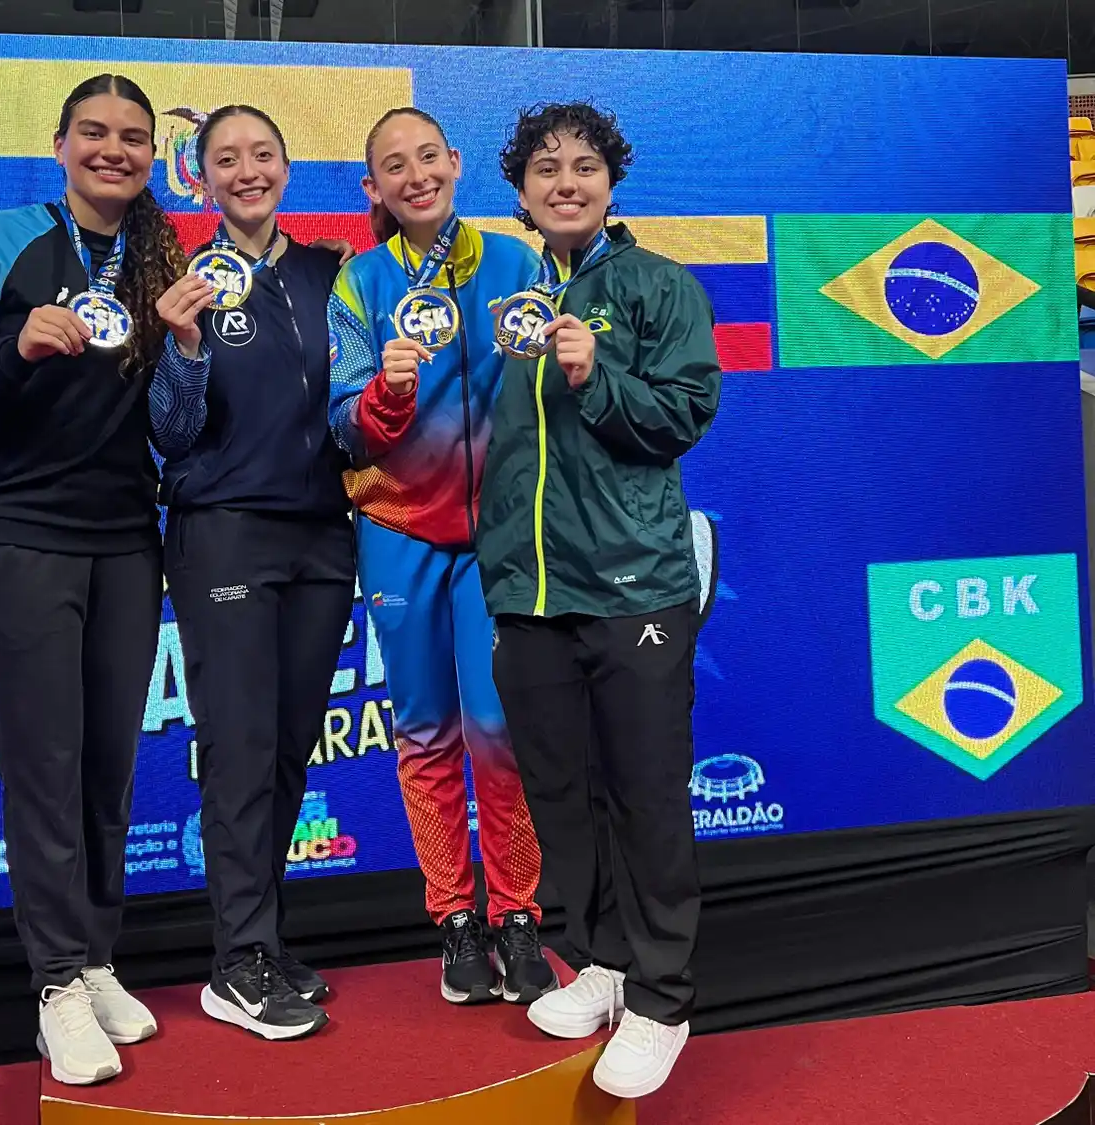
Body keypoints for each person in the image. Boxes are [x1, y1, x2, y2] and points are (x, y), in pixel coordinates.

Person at [0, 73, 186, 1088]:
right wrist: (14, 349)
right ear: (60, 143)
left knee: (109, 763)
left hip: (127, 538)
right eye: (95, 133)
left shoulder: (163, 257)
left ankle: (97, 956)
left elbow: (177, 413)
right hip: (21, 534)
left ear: (151, 157)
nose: (115, 149)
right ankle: (56, 982)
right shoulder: (3, 239)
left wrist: (190, 350)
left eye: (134, 137)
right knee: (44, 767)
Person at [477, 101, 722, 1099]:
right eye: (545, 168)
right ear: (521, 190)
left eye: (583, 165)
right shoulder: (509, 296)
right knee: (561, 795)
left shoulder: (658, 285)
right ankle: (604, 960)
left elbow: (686, 414)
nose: (565, 182)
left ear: (611, 182)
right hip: (530, 591)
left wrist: (594, 375)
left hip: (635, 586)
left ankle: (664, 997)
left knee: (646, 793)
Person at [326, 106, 556, 1007]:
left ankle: (518, 913)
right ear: (373, 187)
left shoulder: (517, 264)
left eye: (429, 157)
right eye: (396, 165)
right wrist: (385, 392)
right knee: (424, 732)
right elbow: (344, 429)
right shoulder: (360, 282)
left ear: (456, 163)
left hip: (497, 537)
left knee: (499, 731)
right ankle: (455, 918)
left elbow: (549, 399)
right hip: (398, 531)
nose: (416, 175)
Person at [149, 105, 355, 1042]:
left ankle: (263, 941)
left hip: (321, 536)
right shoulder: (184, 282)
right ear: (201, 178)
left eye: (262, 154)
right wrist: (185, 348)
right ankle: (236, 962)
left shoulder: (327, 273)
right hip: (225, 531)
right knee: (237, 748)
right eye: (225, 159)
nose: (247, 171)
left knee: (285, 750)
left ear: (286, 167)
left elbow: (355, 400)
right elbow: (170, 432)